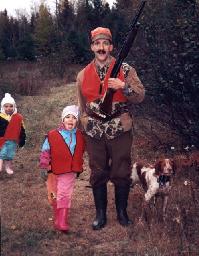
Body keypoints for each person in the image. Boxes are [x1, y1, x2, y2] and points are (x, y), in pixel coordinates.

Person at [76, 27, 145, 230]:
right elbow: (81, 105)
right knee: (97, 172)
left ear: (111, 47)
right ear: (92, 47)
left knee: (121, 170)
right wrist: (82, 124)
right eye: (97, 44)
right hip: (94, 131)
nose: (101, 47)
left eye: (105, 43)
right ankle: (100, 214)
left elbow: (140, 96)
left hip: (119, 129)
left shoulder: (126, 70)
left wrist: (123, 87)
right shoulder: (82, 75)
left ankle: (122, 214)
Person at [39, 105, 85, 233]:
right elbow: (45, 151)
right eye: (68, 117)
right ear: (62, 119)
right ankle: (57, 216)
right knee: (53, 194)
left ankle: (62, 221)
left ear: (77, 121)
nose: (70, 120)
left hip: (68, 171)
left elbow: (80, 152)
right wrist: (43, 166)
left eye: (74, 117)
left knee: (64, 193)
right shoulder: (52, 135)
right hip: (52, 170)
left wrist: (79, 166)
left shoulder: (80, 136)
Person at [0, 93, 26, 175]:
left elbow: (22, 129)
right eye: (6, 106)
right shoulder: (0, 116)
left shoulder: (18, 117)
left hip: (13, 140)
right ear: (2, 107)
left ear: (14, 106)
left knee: (9, 155)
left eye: (11, 106)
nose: (8, 108)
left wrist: (22, 139)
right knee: (2, 154)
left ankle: (7, 167)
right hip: (2, 139)